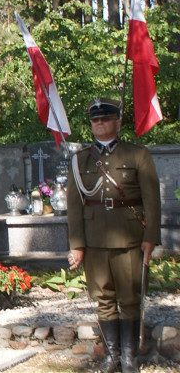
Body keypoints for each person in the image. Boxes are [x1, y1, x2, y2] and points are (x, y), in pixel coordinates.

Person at [67, 98, 161, 373]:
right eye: (95, 120)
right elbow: (74, 206)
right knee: (103, 298)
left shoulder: (137, 155)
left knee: (130, 298)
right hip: (94, 239)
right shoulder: (80, 159)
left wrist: (151, 237)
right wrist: (77, 245)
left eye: (105, 119)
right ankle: (112, 358)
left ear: (117, 123)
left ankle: (130, 359)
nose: (100, 124)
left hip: (130, 238)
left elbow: (151, 199)